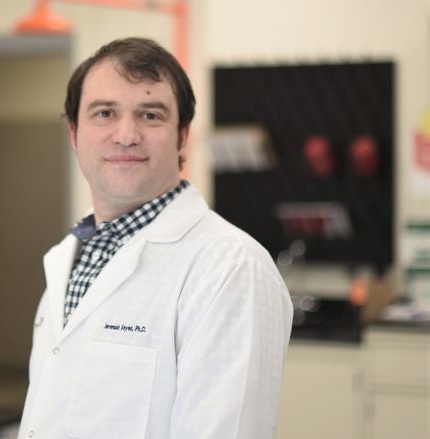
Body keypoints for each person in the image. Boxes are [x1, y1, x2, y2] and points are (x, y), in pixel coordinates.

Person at [17, 37, 293, 439]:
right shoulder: (70, 260)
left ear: (182, 136)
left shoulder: (230, 268)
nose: (126, 135)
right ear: (75, 133)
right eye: (105, 113)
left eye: (150, 115)